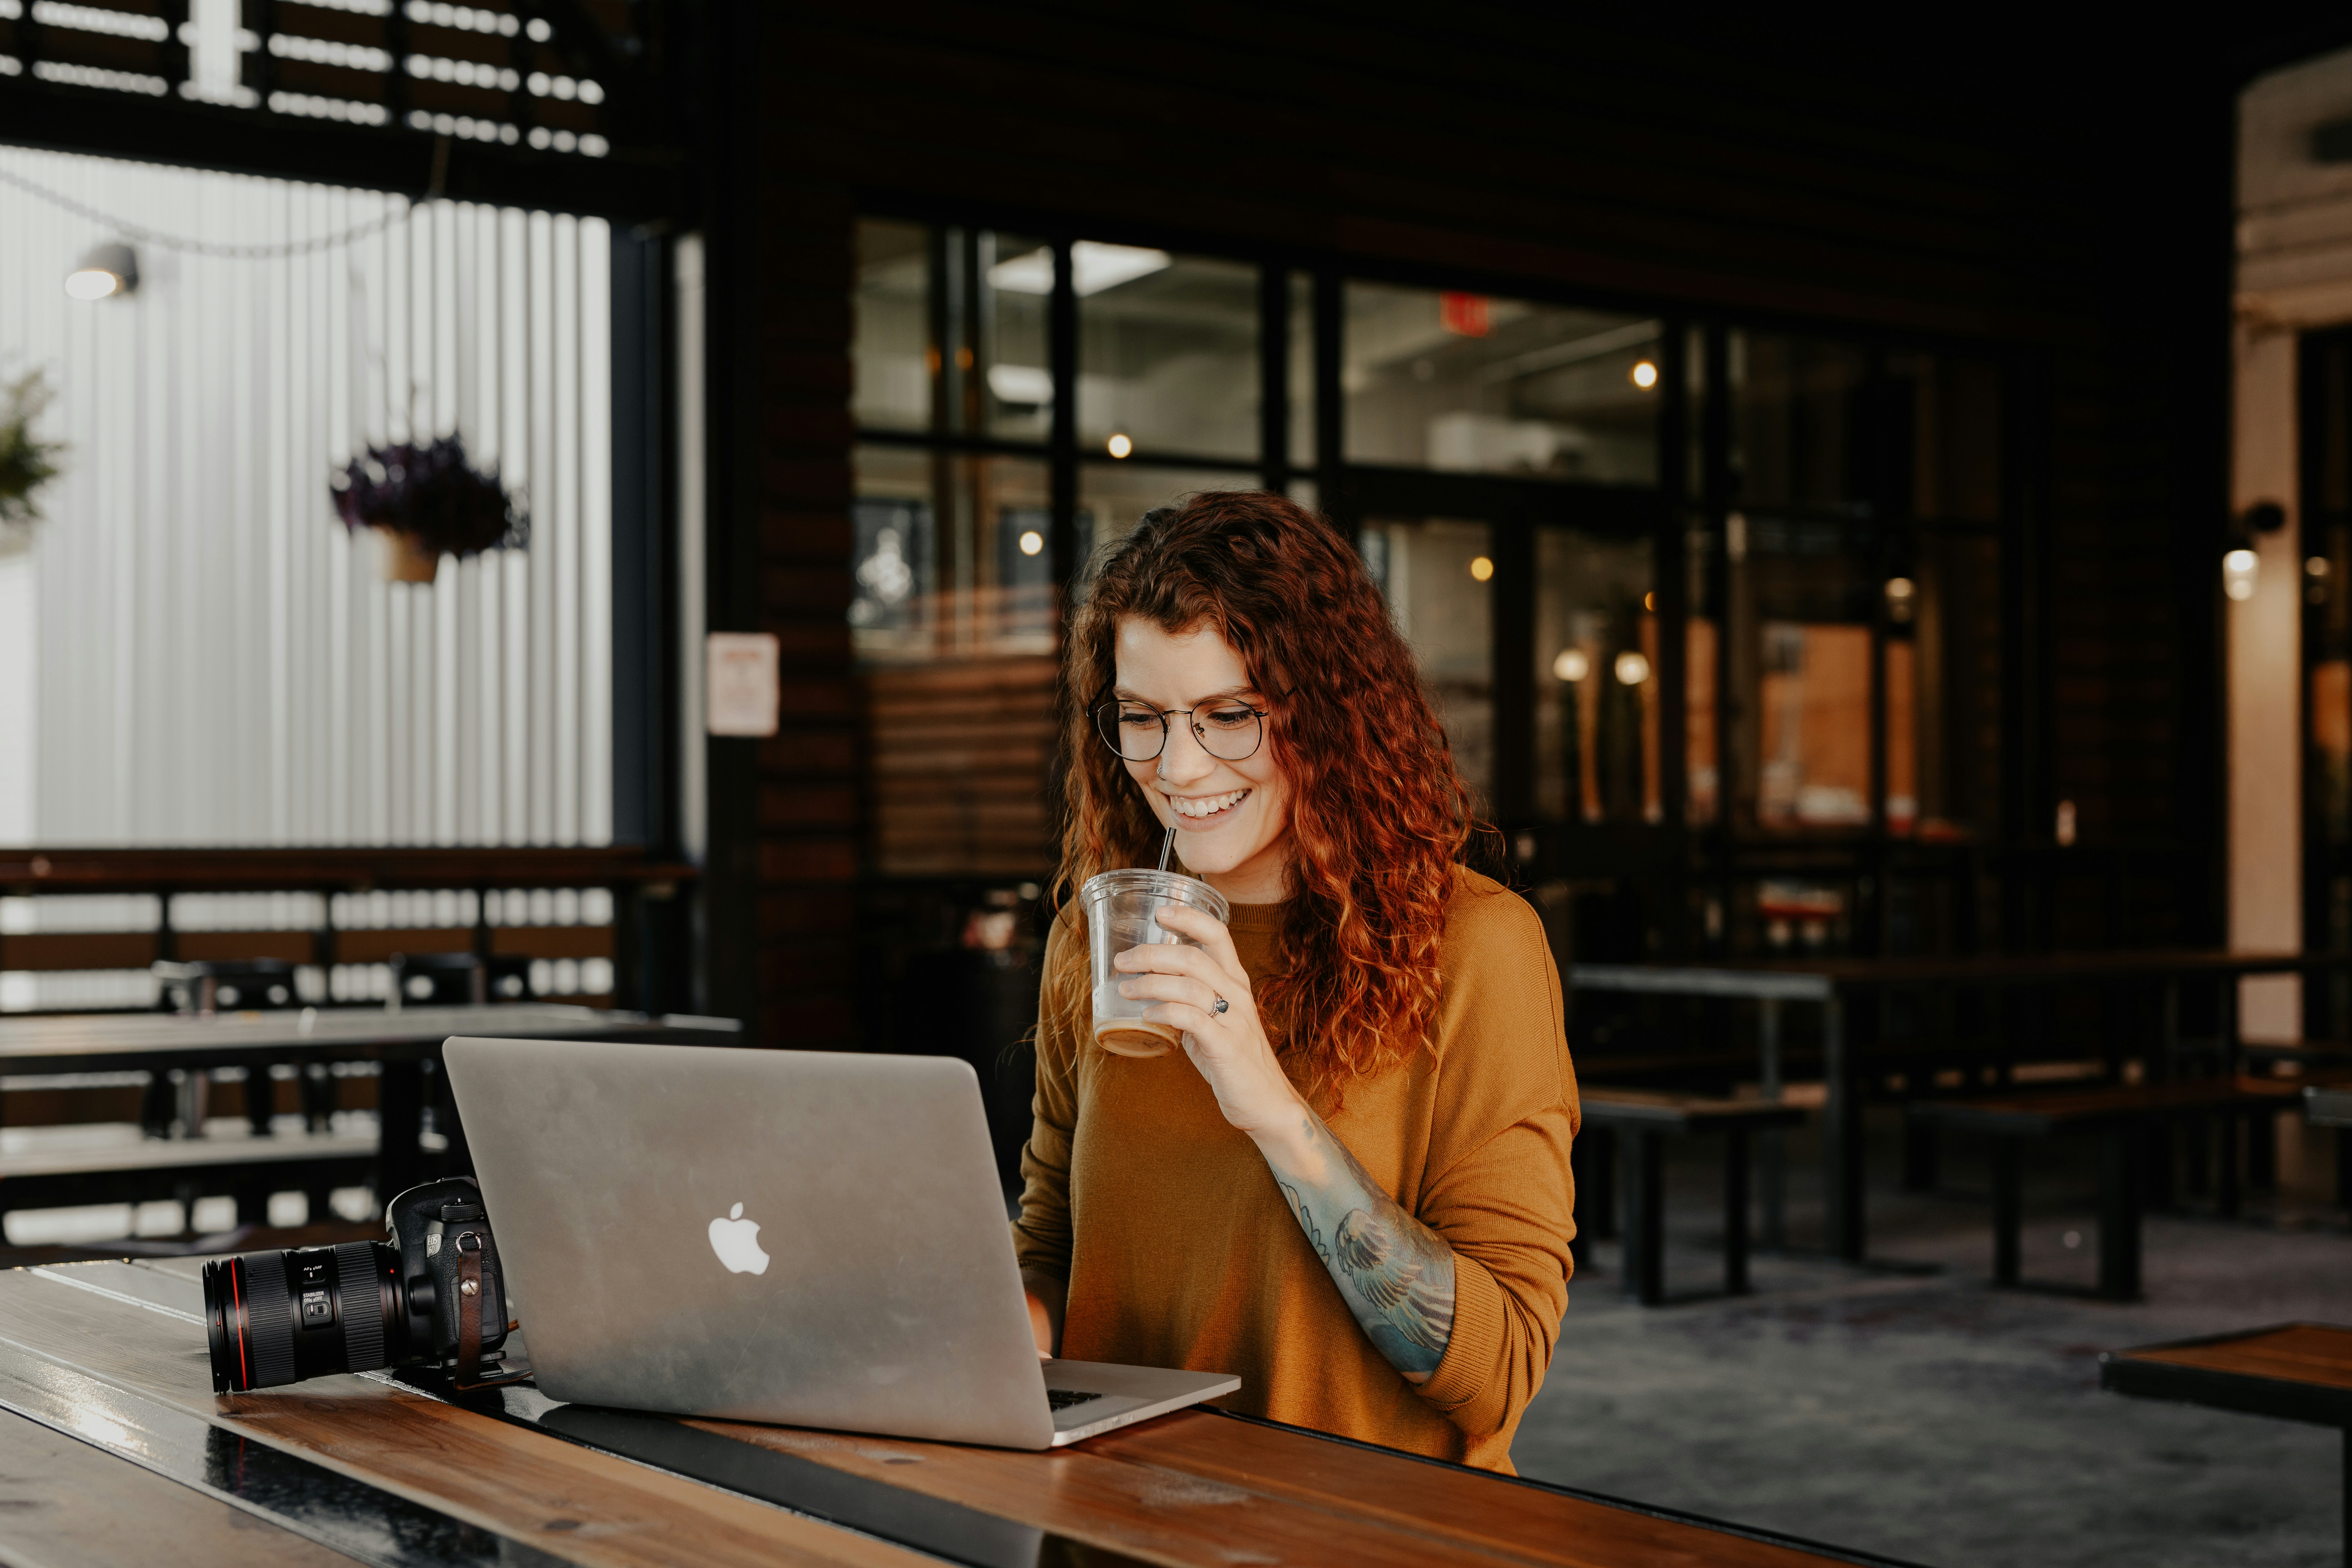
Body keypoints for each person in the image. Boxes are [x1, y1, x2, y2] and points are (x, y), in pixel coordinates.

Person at [1013, 490, 1579, 1474]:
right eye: (1141, 717)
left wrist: (1269, 1105)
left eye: (1229, 715)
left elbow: (1498, 1375)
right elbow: (1056, 1246)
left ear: (1328, 713)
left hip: (1362, 1532)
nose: (1178, 767)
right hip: (1117, 1523)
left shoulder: (1475, 947)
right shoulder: (1094, 940)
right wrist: (969, 1320)